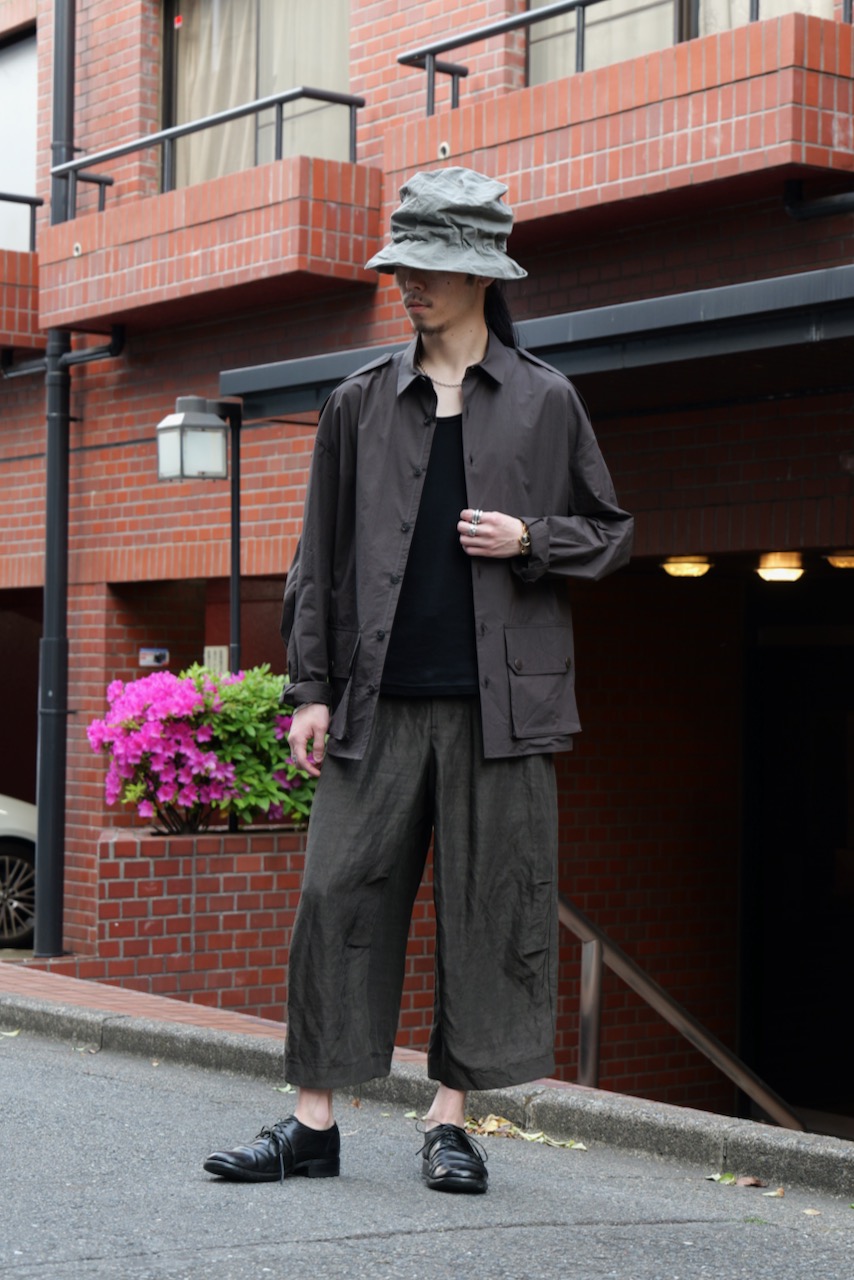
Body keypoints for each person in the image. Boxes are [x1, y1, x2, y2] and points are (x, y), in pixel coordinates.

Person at [204, 167, 633, 1193]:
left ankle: (451, 1121)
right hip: (374, 705)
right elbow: (318, 560)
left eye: (430, 265)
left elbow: (611, 533)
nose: (409, 282)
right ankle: (312, 1122)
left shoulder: (544, 400)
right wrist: (310, 689)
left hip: (503, 709)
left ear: (481, 274)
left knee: (489, 909)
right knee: (334, 896)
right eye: (403, 265)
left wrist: (531, 538)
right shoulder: (358, 402)